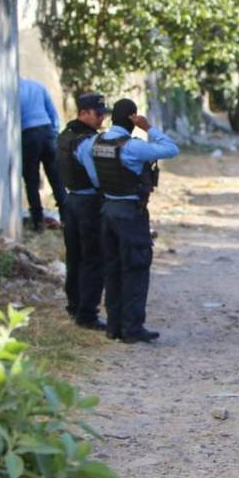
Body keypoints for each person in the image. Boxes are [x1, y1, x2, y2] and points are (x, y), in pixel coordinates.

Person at [81, 99, 179, 343]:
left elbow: (91, 173)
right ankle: (133, 328)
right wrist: (149, 128)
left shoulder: (95, 142)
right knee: (135, 267)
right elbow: (170, 149)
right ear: (133, 118)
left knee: (112, 268)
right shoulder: (133, 147)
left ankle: (114, 327)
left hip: (107, 210)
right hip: (130, 212)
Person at [57, 93, 109, 329]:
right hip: (88, 203)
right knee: (92, 258)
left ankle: (74, 305)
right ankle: (87, 313)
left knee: (74, 256)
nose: (101, 119)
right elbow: (97, 178)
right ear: (83, 114)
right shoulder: (86, 142)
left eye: (103, 114)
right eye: (98, 114)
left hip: (71, 201)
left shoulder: (65, 136)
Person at [19, 78, 65, 231]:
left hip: (28, 135)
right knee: (56, 178)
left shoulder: (12, 89)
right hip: (47, 132)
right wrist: (55, 134)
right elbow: (53, 113)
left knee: (31, 180)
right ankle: (66, 218)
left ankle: (38, 222)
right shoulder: (38, 85)